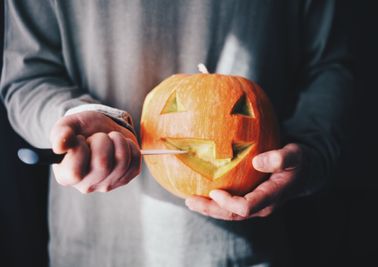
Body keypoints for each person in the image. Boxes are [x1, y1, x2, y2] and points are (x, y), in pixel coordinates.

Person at [1, 1, 352, 266]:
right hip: (93, 247)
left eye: (238, 110)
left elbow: (329, 65)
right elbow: (27, 75)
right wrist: (72, 118)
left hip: (246, 249)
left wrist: (313, 148)